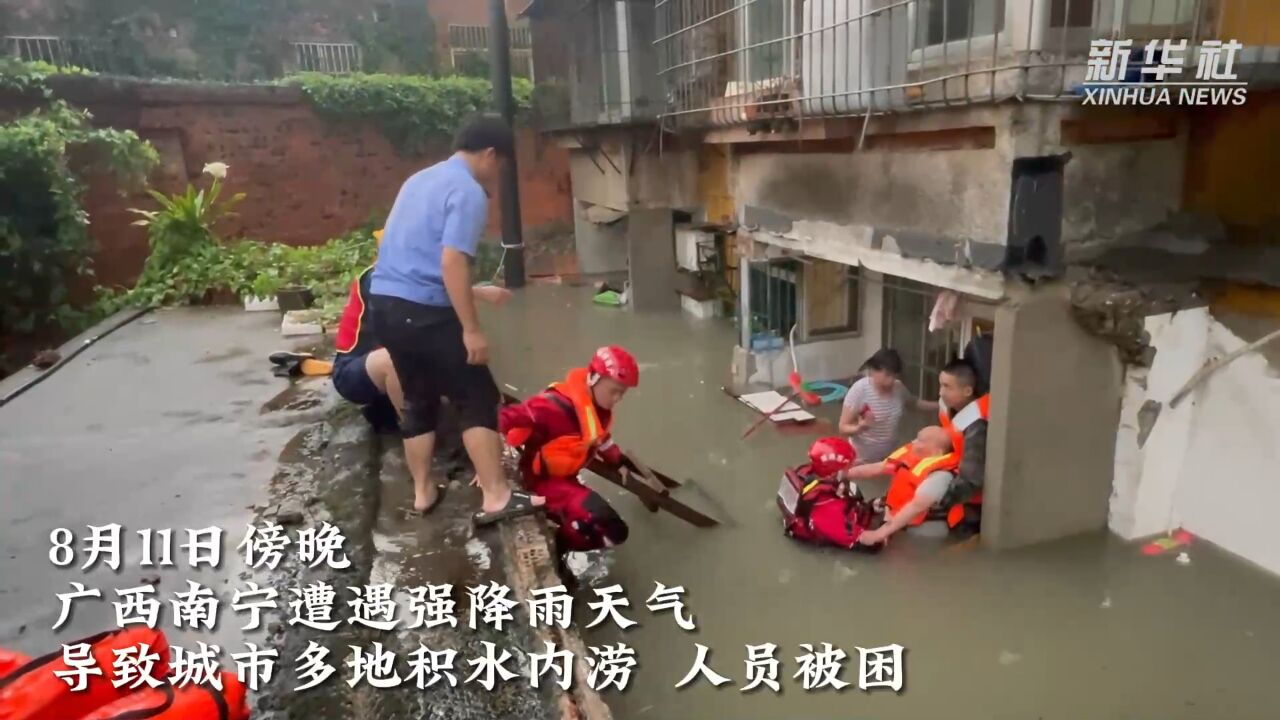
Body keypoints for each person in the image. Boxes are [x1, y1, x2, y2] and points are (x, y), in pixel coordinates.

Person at [368, 114, 544, 523]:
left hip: (386, 304)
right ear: (489, 154)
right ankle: (497, 496)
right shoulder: (467, 191)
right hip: (424, 311)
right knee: (476, 395)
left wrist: (475, 293)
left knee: (417, 396)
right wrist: (471, 329)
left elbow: (417, 257)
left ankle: (423, 491)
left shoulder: (420, 180)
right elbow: (450, 261)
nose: (496, 176)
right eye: (498, 166)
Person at [332, 230, 514, 436]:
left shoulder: (417, 278)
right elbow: (429, 294)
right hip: (353, 370)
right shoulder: (377, 278)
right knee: (393, 359)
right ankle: (417, 434)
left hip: (397, 362)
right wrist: (480, 293)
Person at [498, 346, 638, 552]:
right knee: (608, 528)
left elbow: (602, 439)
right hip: (541, 483)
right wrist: (486, 466)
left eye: (622, 393)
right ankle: (559, 547)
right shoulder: (548, 407)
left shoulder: (598, 412)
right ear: (592, 378)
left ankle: (562, 541)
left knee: (615, 531)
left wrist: (617, 462)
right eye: (614, 391)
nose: (617, 399)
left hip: (566, 481)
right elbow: (498, 421)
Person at [846, 426, 960, 546]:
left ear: (935, 453)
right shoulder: (911, 457)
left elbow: (917, 507)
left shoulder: (940, 476)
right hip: (895, 516)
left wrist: (879, 534)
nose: (913, 442)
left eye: (920, 440)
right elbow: (877, 468)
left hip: (921, 530)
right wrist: (839, 474)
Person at [776, 437, 883, 552]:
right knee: (875, 546)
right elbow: (862, 539)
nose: (851, 469)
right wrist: (886, 529)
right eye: (847, 467)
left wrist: (872, 506)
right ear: (835, 472)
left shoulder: (808, 474)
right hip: (826, 529)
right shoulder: (828, 508)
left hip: (822, 517)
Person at [838, 348, 939, 463]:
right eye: (887, 375)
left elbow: (914, 403)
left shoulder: (898, 387)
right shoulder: (860, 390)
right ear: (873, 371)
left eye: (894, 376)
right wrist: (860, 427)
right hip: (862, 459)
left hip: (889, 456)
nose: (891, 380)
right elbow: (843, 427)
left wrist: (940, 405)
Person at [934, 358, 989, 536]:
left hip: (972, 501)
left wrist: (940, 502)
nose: (941, 392)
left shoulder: (976, 424)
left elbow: (972, 479)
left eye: (947, 387)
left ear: (967, 391)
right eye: (940, 385)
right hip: (954, 475)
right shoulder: (948, 406)